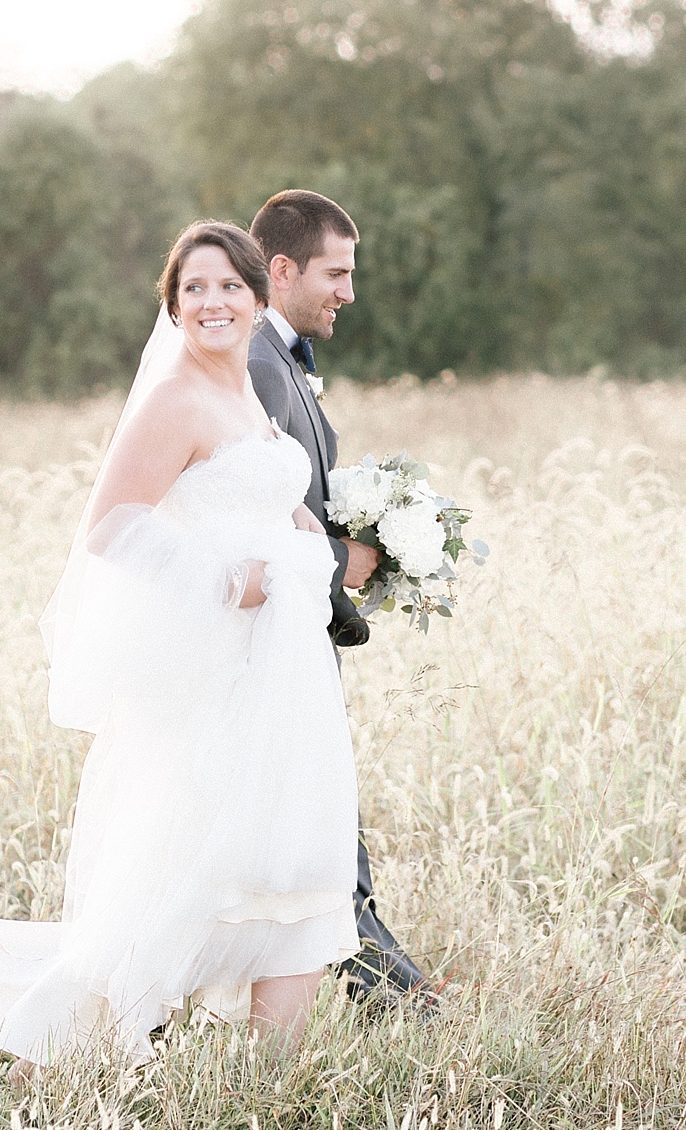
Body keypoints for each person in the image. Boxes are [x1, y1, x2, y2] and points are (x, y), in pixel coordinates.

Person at [0, 221, 360, 1071]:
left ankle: (268, 1083)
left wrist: (312, 546)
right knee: (188, 857)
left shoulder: (245, 393)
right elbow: (110, 526)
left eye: (228, 287)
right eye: (193, 289)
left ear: (259, 297)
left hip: (282, 663)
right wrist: (229, 579)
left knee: (292, 851)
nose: (212, 302)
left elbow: (265, 493)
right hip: (215, 661)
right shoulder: (174, 397)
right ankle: (71, 1047)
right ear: (174, 307)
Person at [246, 189, 439, 1012]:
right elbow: (239, 518)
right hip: (261, 638)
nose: (348, 293)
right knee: (313, 825)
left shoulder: (282, 359)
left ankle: (384, 988)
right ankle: (394, 996)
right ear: (281, 269)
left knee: (311, 821)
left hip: (296, 632)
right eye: (337, 272)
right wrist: (344, 557)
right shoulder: (257, 362)